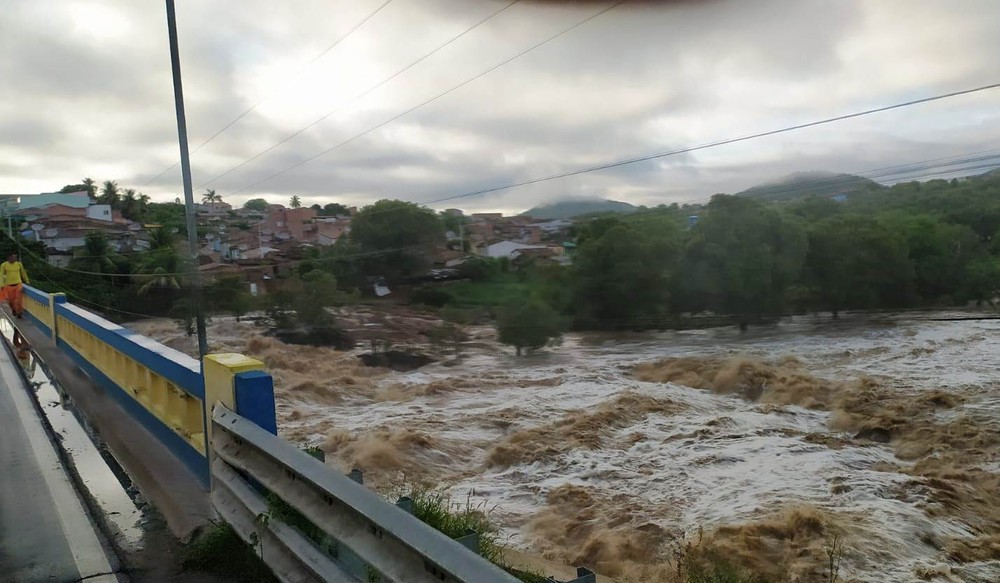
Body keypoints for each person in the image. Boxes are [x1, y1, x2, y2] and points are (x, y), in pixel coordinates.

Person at [0, 252, 29, 318]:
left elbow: (23, 273)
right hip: (9, 285)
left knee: (19, 300)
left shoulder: (19, 264)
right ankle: (14, 309)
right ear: (9, 257)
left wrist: (27, 281)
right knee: (11, 301)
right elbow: (1, 275)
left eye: (16, 257)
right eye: (14, 257)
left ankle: (19, 312)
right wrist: (1, 284)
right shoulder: (4, 265)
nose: (15, 258)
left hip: (18, 284)